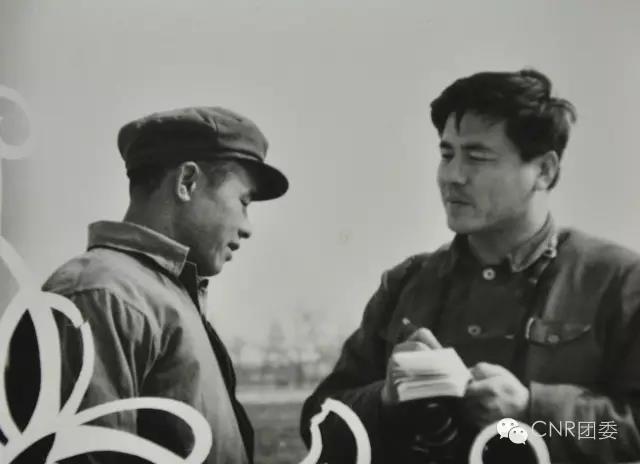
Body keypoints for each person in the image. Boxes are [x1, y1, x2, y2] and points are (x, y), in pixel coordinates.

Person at [300, 69, 640, 463]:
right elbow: (318, 423)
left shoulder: (619, 283)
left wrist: (531, 413)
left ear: (544, 171)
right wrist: (387, 399)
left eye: (477, 157)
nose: (452, 176)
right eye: (447, 154)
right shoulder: (405, 285)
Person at [8, 106, 288, 463]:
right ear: (187, 182)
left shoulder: (154, 294)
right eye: (243, 202)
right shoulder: (104, 295)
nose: (247, 227)